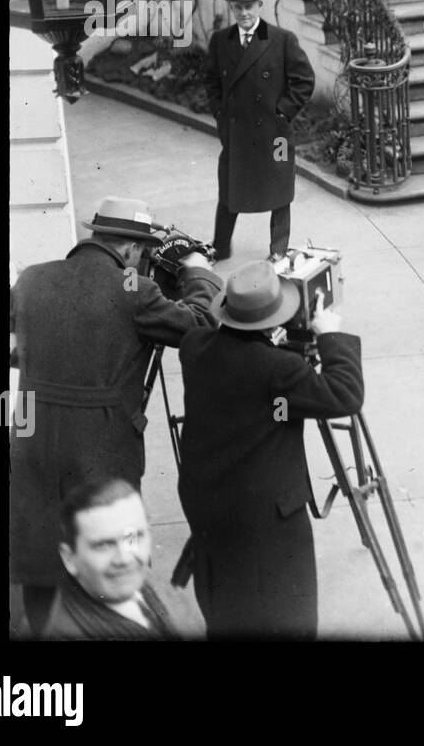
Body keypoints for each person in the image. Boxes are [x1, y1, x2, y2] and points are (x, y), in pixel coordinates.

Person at [10, 196, 221, 634]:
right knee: (108, 559)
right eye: (143, 254)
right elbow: (200, 324)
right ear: (129, 250)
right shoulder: (135, 291)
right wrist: (198, 270)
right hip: (102, 450)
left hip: (32, 442)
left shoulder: (32, 279)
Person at [177, 261, 364, 638]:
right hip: (265, 520)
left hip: (208, 507)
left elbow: (241, 362)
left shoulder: (194, 347)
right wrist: (331, 337)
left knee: (228, 604)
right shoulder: (279, 370)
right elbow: (345, 393)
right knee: (283, 613)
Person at [205, 0, 316, 261]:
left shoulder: (281, 40)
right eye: (238, 7)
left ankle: (278, 251)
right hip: (237, 131)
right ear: (231, 8)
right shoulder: (220, 41)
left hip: (274, 133)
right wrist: (220, 114)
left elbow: (304, 80)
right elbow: (211, 82)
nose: (244, 13)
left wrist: (282, 111)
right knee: (230, 191)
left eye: (249, 6)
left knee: (279, 191)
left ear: (259, 6)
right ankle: (220, 246)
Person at [42, 479, 176, 640]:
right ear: (69, 558)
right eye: (104, 545)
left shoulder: (124, 587)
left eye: (132, 537)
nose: (125, 559)